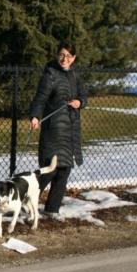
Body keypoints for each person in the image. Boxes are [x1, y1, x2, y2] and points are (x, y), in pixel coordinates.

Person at [29, 41, 87, 216]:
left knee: (64, 170)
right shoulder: (50, 75)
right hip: (53, 130)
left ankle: (52, 210)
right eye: (62, 54)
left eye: (69, 55)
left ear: (74, 58)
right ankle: (26, 197)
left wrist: (80, 102)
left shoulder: (76, 75)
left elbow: (84, 95)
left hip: (70, 130)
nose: (65, 59)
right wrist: (35, 116)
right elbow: (40, 99)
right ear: (57, 55)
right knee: (49, 169)